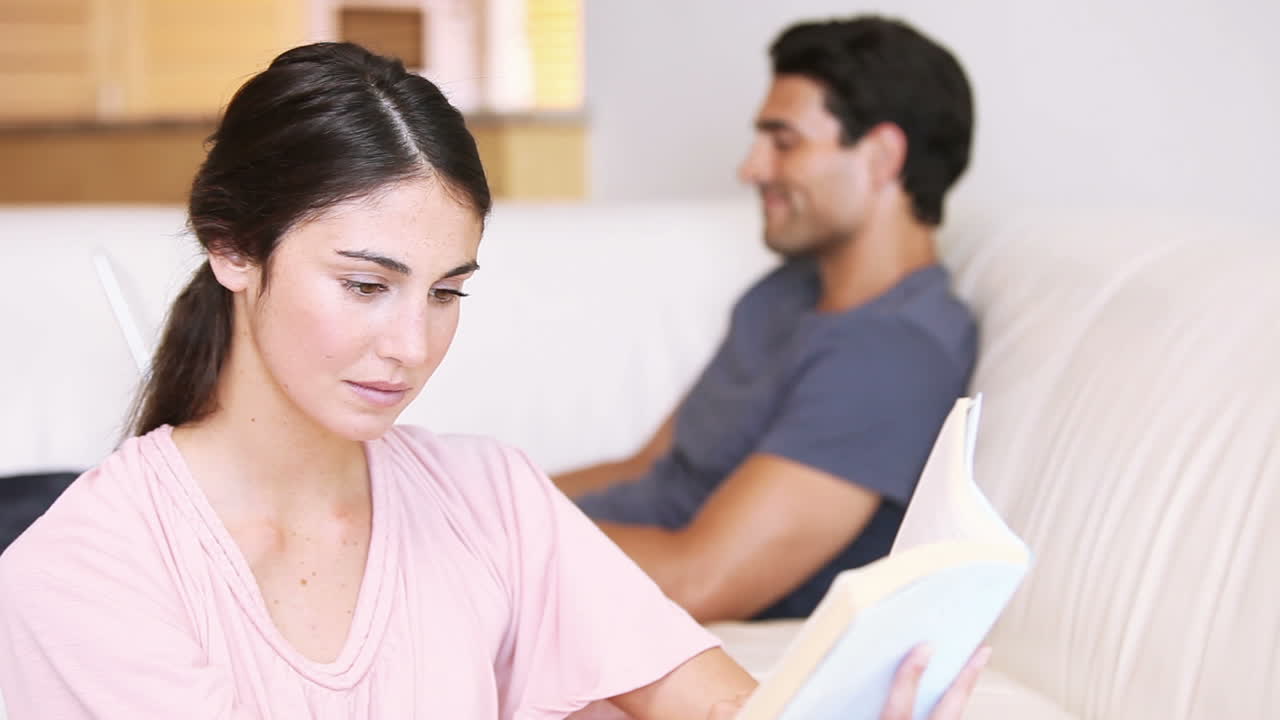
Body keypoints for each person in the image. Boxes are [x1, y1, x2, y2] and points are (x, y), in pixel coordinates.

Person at [0, 43, 985, 719]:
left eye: (445, 293)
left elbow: (724, 702)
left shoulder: (493, 498)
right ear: (232, 248)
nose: (411, 346)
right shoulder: (81, 573)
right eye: (364, 284)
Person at [557, 17, 979, 623]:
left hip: (608, 599)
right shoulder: (785, 293)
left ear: (883, 156)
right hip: (572, 557)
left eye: (784, 141)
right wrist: (472, 498)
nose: (751, 168)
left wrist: (489, 538)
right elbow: (646, 466)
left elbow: (700, 580)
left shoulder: (894, 356)